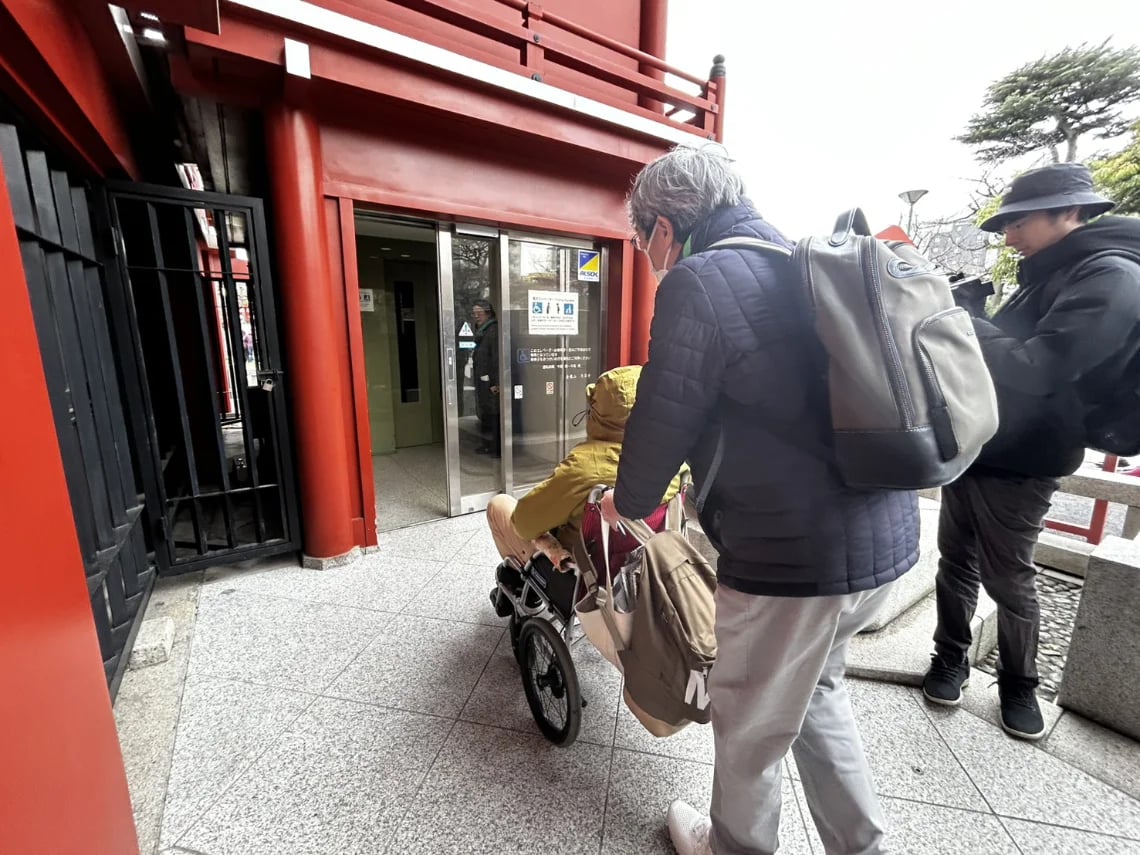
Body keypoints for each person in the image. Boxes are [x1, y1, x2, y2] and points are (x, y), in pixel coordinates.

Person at [602, 144, 919, 855]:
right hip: (882, 536)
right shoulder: (803, 260)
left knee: (748, 720)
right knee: (818, 692)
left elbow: (664, 415)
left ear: (663, 228)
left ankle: (733, 847)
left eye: (642, 241)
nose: (648, 257)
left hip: (793, 559)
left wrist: (629, 500)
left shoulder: (699, 280)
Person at [924, 162, 1140, 740]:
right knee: (955, 561)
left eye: (1019, 222)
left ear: (1070, 212)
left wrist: (964, 323)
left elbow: (1040, 368)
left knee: (1009, 575)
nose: (1009, 236)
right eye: (1006, 225)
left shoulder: (1111, 275)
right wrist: (977, 313)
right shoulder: (1054, 270)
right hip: (984, 442)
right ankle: (949, 659)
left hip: (1027, 459)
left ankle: (1019, 685)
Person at [486, 365, 683, 568]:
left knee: (498, 505)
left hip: (582, 573)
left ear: (600, 413)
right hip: (647, 565)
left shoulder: (583, 467)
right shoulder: (674, 460)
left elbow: (524, 524)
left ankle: (523, 577)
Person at [471, 299, 500, 457]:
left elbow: (496, 358)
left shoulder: (493, 331)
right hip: (484, 381)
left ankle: (496, 448)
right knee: (486, 412)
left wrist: (496, 383)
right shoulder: (482, 332)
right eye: (474, 313)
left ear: (488, 313)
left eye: (479, 313)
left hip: (491, 383)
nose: (476, 316)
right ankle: (487, 444)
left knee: (494, 414)